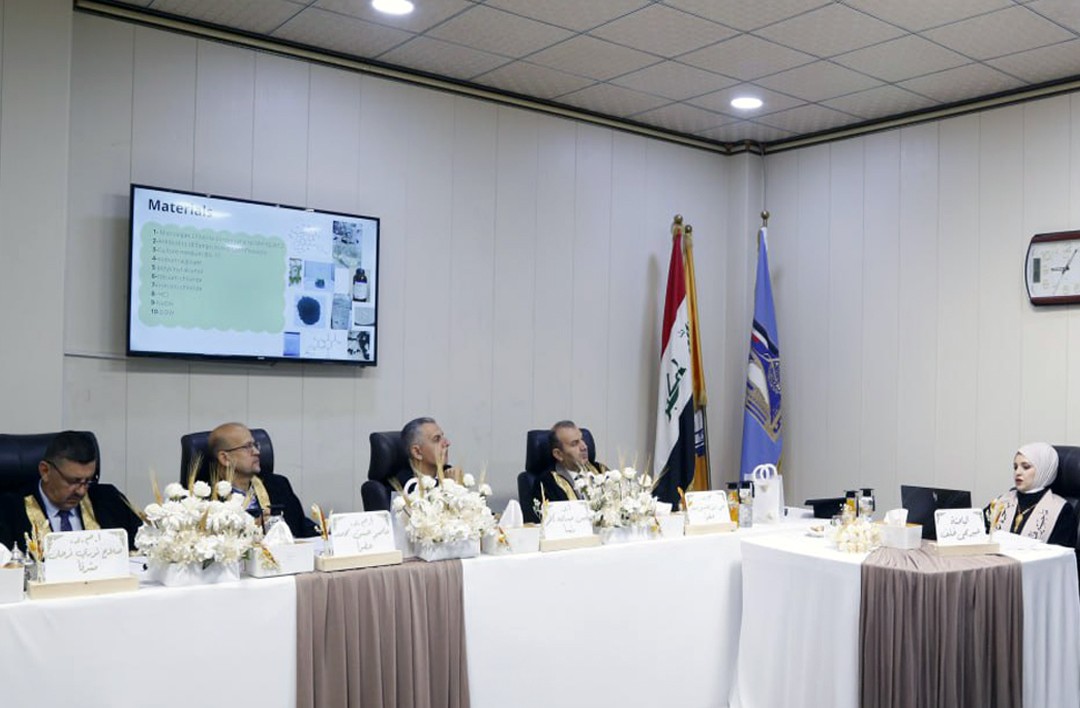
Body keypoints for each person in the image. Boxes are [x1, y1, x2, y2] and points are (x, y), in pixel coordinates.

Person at [0, 431, 142, 551]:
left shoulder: (110, 500)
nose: (81, 491)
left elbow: (141, 551)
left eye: (88, 481)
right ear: (45, 471)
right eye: (73, 481)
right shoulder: (7, 511)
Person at [208, 423, 317, 538]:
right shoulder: (207, 500)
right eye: (247, 447)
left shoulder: (277, 485)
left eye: (255, 445)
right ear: (225, 458)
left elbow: (302, 528)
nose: (257, 452)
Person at [986, 442, 1077, 548]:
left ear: (1043, 469)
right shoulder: (1001, 501)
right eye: (1015, 467)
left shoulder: (1062, 510)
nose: (1018, 472)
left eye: (1026, 467)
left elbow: (1061, 554)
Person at [533, 420, 607, 504]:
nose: (584, 447)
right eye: (574, 443)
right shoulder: (547, 484)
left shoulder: (601, 471)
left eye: (582, 439)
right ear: (558, 454)